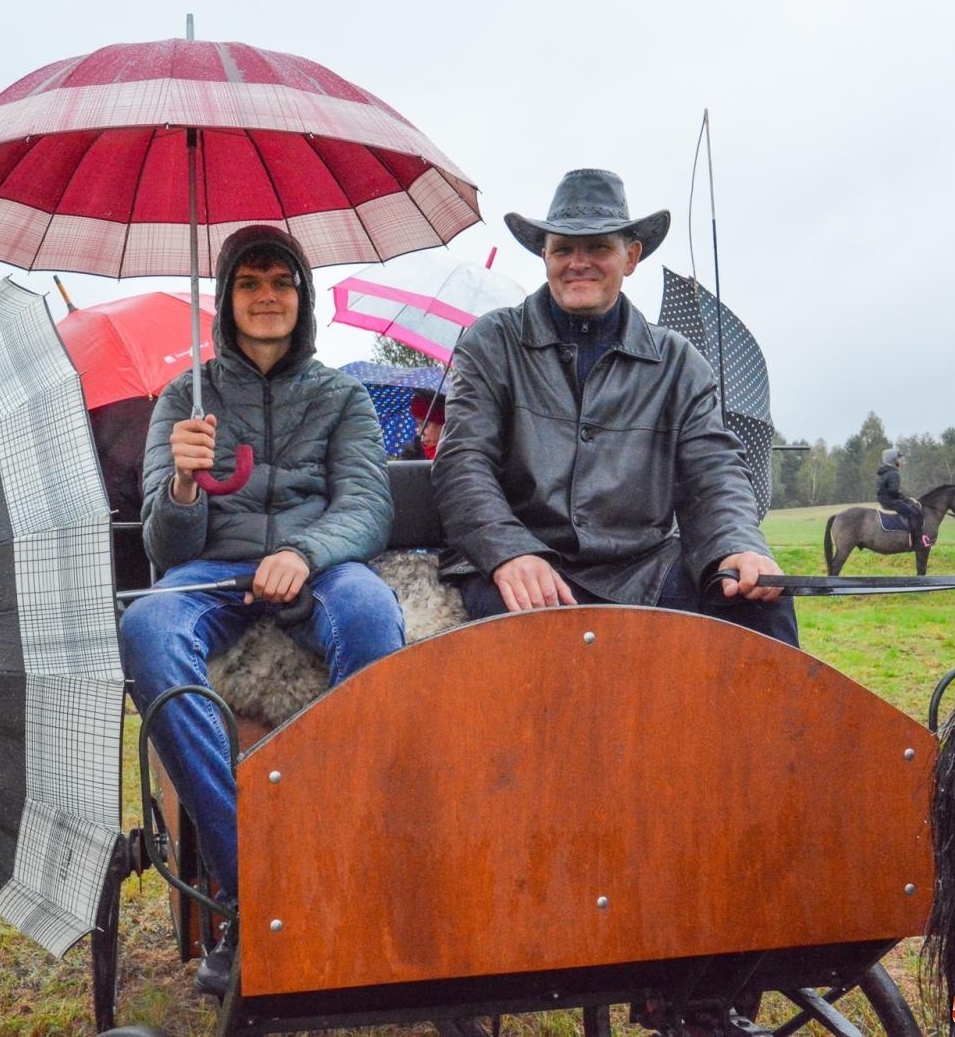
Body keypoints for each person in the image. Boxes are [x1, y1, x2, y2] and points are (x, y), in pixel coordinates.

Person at [118, 224, 404, 996]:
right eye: (250, 283)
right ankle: (256, 887)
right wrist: (181, 485)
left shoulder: (342, 396)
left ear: (302, 297)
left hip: (323, 565)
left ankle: (349, 862)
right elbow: (166, 544)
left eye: (282, 282)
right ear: (226, 299)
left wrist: (305, 552)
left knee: (372, 617)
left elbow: (368, 508)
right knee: (147, 627)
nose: (267, 295)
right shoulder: (185, 398)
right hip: (214, 569)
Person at [432, 169, 797, 645]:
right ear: (544, 256)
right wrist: (508, 551)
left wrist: (737, 547)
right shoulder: (492, 341)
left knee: (759, 603)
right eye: (563, 248)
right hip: (524, 560)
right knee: (539, 644)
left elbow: (714, 473)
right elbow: (463, 461)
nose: (578, 263)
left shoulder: (679, 361)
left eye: (598, 247)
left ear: (631, 257)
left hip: (645, 568)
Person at [875, 447, 929, 550]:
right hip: (891, 501)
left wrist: (903, 498)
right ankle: (918, 542)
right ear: (893, 460)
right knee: (914, 514)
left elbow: (889, 490)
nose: (902, 459)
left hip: (884, 500)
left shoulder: (884, 471)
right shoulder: (893, 473)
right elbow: (893, 491)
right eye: (899, 458)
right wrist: (903, 498)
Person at [399, 393, 446, 461]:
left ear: (442, 425)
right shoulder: (413, 452)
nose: (419, 432)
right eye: (418, 425)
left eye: (425, 425)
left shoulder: (454, 453)